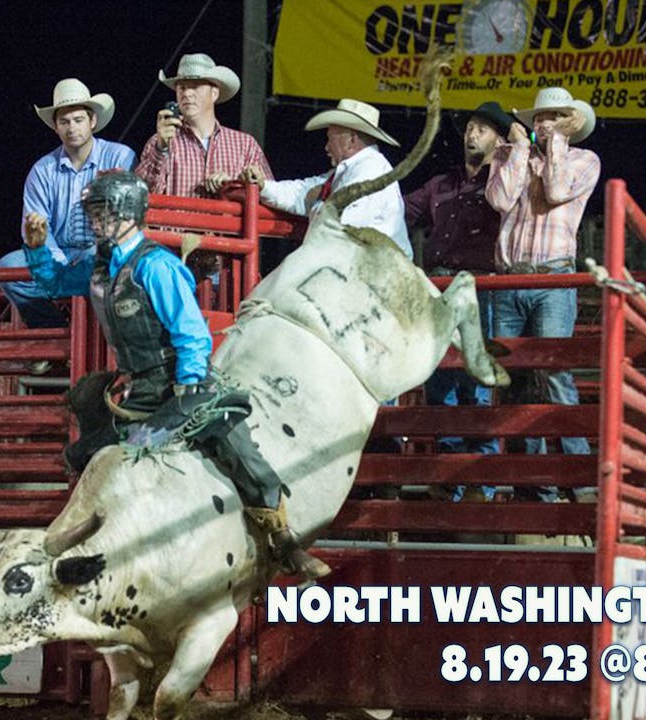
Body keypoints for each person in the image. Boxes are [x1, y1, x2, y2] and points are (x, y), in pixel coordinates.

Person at [51, 170, 328, 581]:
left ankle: (283, 539)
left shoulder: (157, 267)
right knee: (83, 454)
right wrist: (38, 249)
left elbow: (190, 331)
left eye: (102, 212)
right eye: (93, 213)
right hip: (138, 388)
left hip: (177, 380)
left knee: (231, 441)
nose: (95, 222)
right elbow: (51, 281)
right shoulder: (101, 269)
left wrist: (191, 379)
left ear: (126, 214)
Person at [485, 87, 600, 502]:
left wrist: (554, 145)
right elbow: (498, 199)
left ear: (568, 123)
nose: (544, 123)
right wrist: (518, 150)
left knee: (553, 371)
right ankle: (531, 481)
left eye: (554, 117)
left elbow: (555, 191)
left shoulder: (584, 160)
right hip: (510, 278)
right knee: (515, 378)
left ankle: (578, 475)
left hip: (553, 279)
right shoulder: (508, 155)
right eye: (540, 117)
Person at [403, 101, 514, 500]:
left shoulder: (503, 182)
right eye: (470, 127)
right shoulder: (440, 184)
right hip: (440, 286)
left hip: (482, 286)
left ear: (500, 141)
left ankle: (479, 482)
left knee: (475, 383)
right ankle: (451, 477)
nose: (472, 134)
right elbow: (401, 211)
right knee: (441, 383)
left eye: (483, 129)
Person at [0, 78, 135, 340]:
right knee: (8, 267)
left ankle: (98, 337)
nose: (72, 128)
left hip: (100, 248)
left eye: (78, 120)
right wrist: (58, 263)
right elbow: (34, 227)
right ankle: (53, 332)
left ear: (92, 121)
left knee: (104, 258)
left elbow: (126, 214)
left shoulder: (120, 156)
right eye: (65, 122)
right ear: (56, 128)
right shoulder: (42, 170)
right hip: (59, 252)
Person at [243, 98, 411, 258]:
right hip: (364, 266)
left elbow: (337, 223)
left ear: (351, 140)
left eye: (330, 139)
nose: (326, 147)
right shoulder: (353, 169)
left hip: (375, 270)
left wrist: (317, 201)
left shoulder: (370, 168)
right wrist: (264, 186)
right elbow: (304, 191)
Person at [135, 53, 272, 198]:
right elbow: (141, 195)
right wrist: (160, 150)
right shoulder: (159, 143)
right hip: (178, 221)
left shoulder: (245, 145)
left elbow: (269, 197)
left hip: (223, 221)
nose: (187, 93)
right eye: (182, 88)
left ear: (214, 93)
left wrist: (233, 186)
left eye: (196, 87)